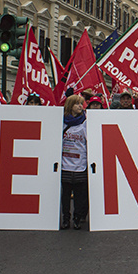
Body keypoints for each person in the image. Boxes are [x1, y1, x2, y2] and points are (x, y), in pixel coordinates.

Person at [60, 95, 88, 229]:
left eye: (81, 104)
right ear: (70, 105)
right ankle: (66, 218)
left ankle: (77, 218)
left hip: (80, 164)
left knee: (79, 195)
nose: (80, 106)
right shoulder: (62, 122)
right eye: (77, 104)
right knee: (65, 195)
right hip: (65, 163)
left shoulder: (85, 123)